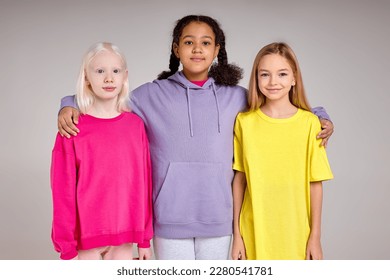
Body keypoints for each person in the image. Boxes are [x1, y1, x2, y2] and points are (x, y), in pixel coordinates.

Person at [57, 16, 333, 260]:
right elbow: (108, 98)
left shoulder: (236, 96)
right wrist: (69, 102)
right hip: (169, 219)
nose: (197, 49)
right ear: (177, 49)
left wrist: (319, 115)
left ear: (217, 50)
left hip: (219, 220)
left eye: (205, 42)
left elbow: (277, 102)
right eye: (189, 42)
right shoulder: (150, 95)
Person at [50, 42, 153, 260]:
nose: (109, 78)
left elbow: (143, 182)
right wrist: (66, 246)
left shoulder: (135, 126)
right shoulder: (72, 128)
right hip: (85, 238)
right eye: (99, 71)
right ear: (86, 78)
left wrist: (144, 239)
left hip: (124, 236)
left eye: (115, 71)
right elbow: (62, 190)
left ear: (125, 76)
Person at [231, 42, 334, 260]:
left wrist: (315, 237)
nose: (273, 82)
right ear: (256, 79)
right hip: (253, 231)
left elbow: (315, 184)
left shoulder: (310, 124)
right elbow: (240, 180)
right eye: (265, 74)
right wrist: (237, 235)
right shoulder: (244, 122)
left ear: (294, 78)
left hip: (296, 232)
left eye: (282, 74)